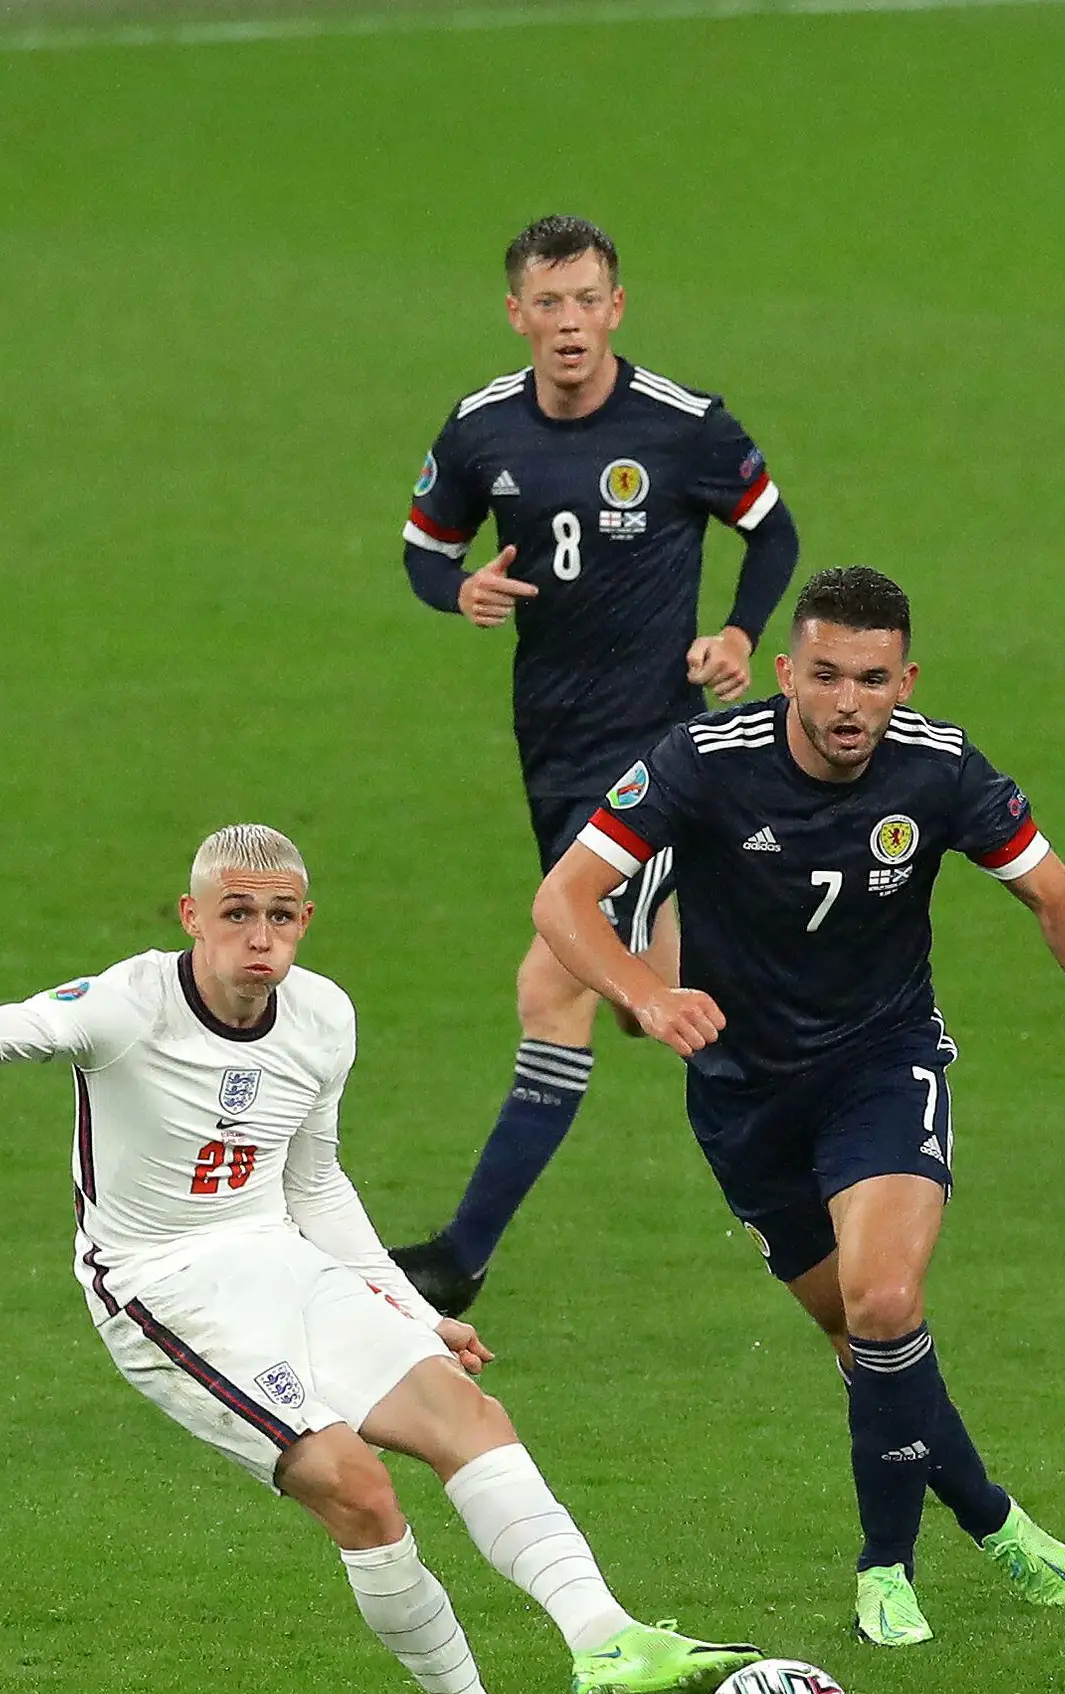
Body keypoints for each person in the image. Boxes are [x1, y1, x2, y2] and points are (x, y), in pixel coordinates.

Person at [0, 825, 759, 1694]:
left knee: (467, 1414)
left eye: (278, 916)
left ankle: (605, 1637)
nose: (259, 938)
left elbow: (315, 1182)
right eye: (236, 914)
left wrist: (413, 1311)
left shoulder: (322, 1017)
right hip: (161, 1288)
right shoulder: (127, 1005)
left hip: (279, 1255)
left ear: (305, 920)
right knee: (359, 1490)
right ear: (193, 918)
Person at [531, 566, 1065, 1645]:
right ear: (785, 673)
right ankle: (997, 1523)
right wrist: (644, 992)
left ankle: (884, 1570)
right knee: (865, 1344)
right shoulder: (703, 762)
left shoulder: (940, 769)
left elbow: (1056, 892)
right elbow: (564, 896)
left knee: (886, 1297)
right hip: (743, 1097)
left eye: (872, 679)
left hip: (880, 1066)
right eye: (826, 676)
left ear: (906, 681)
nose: (849, 702)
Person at [388, 213, 803, 1315]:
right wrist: (460, 590)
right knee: (650, 998)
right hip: (554, 750)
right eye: (548, 302)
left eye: (587, 300)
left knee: (554, 979)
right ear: (515, 313)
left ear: (617, 307)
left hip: (657, 757)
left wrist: (738, 634)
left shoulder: (684, 425)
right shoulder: (481, 429)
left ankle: (459, 1260)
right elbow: (425, 549)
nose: (569, 323)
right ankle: (831, 1092)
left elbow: (773, 531)